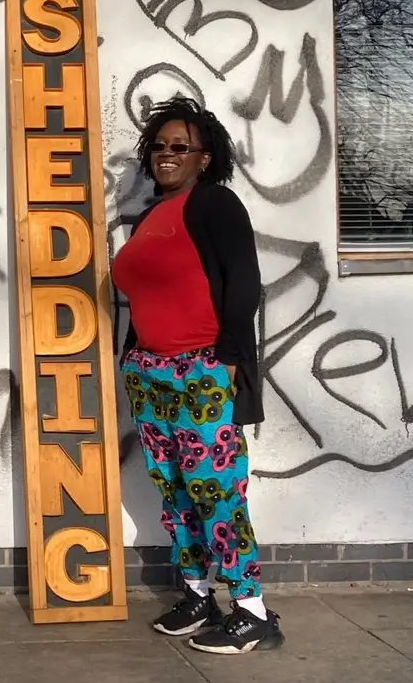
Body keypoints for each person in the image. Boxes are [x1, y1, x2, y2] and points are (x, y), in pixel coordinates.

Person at [111, 96, 284, 655]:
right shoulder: (148, 219)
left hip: (201, 371)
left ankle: (252, 612)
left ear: (204, 158)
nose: (167, 154)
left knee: (217, 492)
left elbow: (244, 283)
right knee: (174, 490)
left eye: (180, 147)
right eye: (159, 146)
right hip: (150, 373)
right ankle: (197, 594)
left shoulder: (215, 204)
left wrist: (228, 360)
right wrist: (132, 357)